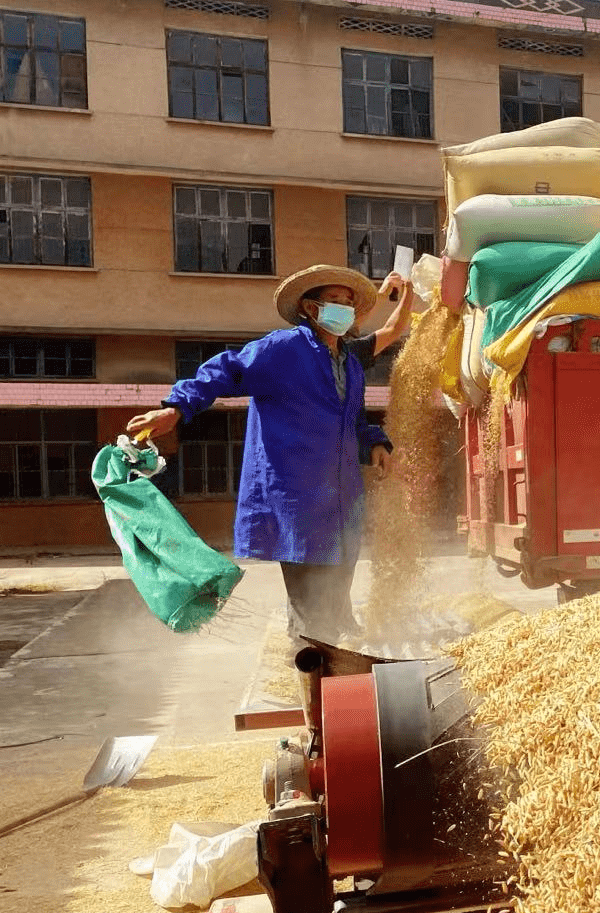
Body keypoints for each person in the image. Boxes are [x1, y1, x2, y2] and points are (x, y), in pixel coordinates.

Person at [126, 264, 399, 647]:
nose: (345, 310)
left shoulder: (350, 365)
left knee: (335, 601)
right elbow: (226, 369)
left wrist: (376, 443)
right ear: (310, 307)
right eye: (335, 301)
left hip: (342, 500)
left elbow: (352, 419)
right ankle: (312, 676)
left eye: (349, 303)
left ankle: (325, 667)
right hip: (298, 497)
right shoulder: (282, 350)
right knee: (312, 610)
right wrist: (176, 408)